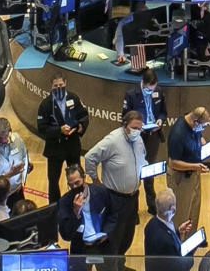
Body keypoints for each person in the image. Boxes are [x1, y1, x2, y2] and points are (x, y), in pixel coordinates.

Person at [84, 111, 147, 255]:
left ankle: (120, 264)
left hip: (133, 197)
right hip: (115, 198)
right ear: (125, 125)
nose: (137, 132)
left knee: (128, 235)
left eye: (140, 128)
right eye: (134, 128)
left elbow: (141, 158)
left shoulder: (138, 140)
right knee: (114, 237)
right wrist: (96, 181)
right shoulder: (112, 140)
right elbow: (89, 158)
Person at [37, 74, 90, 203]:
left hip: (72, 146)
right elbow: (42, 128)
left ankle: (80, 201)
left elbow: (84, 116)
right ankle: (54, 209)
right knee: (53, 181)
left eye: (61, 85)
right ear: (51, 86)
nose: (59, 87)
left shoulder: (74, 98)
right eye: (56, 86)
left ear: (65, 83)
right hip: (55, 149)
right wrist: (59, 130)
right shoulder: (45, 104)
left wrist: (79, 127)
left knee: (77, 178)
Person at [123, 68, 168, 214]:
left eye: (152, 89)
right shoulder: (131, 95)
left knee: (149, 172)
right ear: (143, 83)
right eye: (148, 89)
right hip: (136, 139)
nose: (151, 92)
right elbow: (124, 118)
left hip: (153, 136)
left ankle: (152, 206)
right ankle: (133, 209)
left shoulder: (159, 91)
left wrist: (160, 120)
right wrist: (136, 128)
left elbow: (163, 111)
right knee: (135, 173)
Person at [58, 164, 119, 255]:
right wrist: (76, 212)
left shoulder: (102, 191)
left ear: (84, 178)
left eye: (77, 183)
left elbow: (114, 214)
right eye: (71, 185)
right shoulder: (64, 202)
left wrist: (106, 232)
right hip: (80, 247)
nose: (74, 187)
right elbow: (66, 234)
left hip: (103, 244)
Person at [167, 107, 210, 232]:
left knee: (193, 210)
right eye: (204, 125)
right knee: (182, 215)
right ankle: (180, 245)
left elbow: (198, 134)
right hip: (180, 179)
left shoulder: (193, 123)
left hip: (193, 173)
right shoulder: (178, 134)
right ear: (196, 121)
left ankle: (191, 242)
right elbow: (174, 163)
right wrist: (195, 167)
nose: (204, 128)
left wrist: (202, 141)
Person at [144, 188, 195, 271]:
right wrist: (190, 254)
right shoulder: (165, 241)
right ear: (172, 209)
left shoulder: (151, 224)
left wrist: (178, 232)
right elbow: (180, 267)